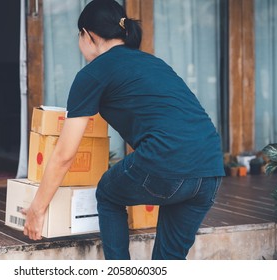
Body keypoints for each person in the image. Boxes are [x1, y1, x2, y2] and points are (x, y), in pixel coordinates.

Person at [22, 0, 225, 260]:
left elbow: (64, 154)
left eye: (78, 36)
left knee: (108, 192)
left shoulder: (93, 74)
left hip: (166, 163)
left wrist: (36, 210)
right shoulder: (152, 62)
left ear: (87, 35)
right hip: (210, 169)